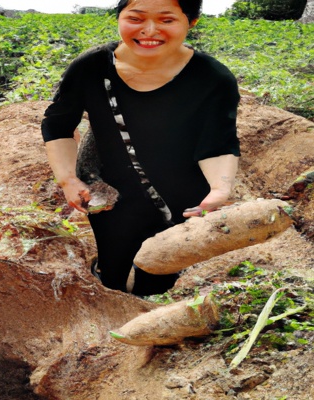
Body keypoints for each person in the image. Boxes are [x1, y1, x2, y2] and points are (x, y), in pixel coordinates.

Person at [41, 0, 240, 296]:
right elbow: (58, 124)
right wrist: (68, 179)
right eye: (135, 18)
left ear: (192, 21)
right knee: (114, 264)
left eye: (166, 20)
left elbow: (218, 141)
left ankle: (149, 300)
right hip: (112, 188)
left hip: (183, 194)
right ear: (119, 17)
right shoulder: (91, 67)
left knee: (163, 271)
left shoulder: (212, 78)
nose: (149, 30)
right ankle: (113, 294)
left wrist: (220, 190)